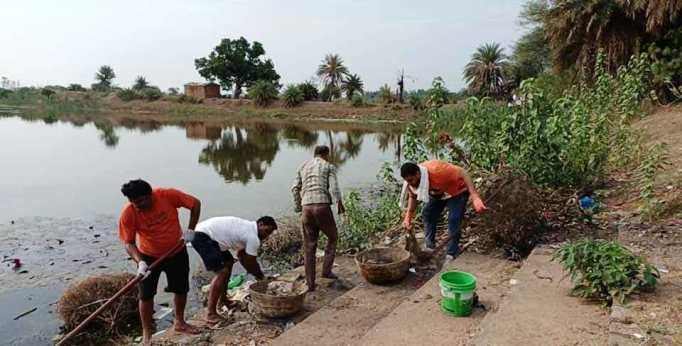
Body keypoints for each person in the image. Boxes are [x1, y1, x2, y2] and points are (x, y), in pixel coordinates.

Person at [118, 179, 201, 345]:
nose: (138, 205)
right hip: (148, 257)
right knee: (146, 295)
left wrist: (190, 230)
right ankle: (147, 334)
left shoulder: (167, 195)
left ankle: (180, 322)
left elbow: (195, 204)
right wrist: (140, 262)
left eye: (141, 200)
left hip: (176, 251)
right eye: (134, 202)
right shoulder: (128, 213)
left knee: (181, 288)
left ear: (150, 195)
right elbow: (129, 243)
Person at [189, 216, 278, 323]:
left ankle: (223, 300)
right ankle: (210, 314)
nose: (266, 236)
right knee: (222, 272)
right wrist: (260, 276)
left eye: (269, 234)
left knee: (228, 262)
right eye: (266, 231)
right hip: (202, 236)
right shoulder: (252, 237)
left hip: (206, 234)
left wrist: (256, 273)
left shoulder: (248, 228)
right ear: (260, 224)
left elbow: (241, 256)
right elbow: (250, 262)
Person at [399, 160, 487, 261]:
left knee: (454, 219)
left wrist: (475, 197)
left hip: (457, 191)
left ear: (418, 174)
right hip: (438, 193)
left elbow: (463, 172)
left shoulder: (438, 171)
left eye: (411, 180)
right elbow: (413, 196)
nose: (409, 183)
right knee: (428, 213)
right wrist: (408, 218)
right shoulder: (411, 182)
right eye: (407, 181)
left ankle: (452, 252)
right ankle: (429, 246)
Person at [291, 145, 345, 292]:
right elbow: (334, 188)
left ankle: (310, 284)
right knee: (333, 237)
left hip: (306, 208)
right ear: (325, 154)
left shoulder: (303, 166)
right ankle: (326, 271)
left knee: (309, 247)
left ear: (314, 154)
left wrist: (298, 207)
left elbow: (295, 188)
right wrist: (339, 203)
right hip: (322, 207)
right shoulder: (328, 166)